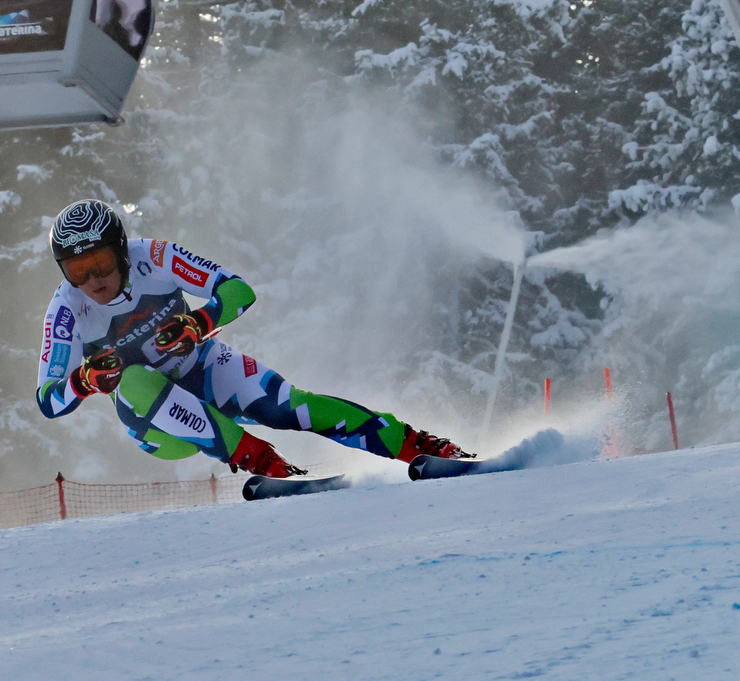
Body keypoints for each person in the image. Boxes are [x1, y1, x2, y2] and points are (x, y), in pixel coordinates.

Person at [36, 200, 473, 477]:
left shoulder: (154, 255)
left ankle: (416, 443)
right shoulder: (66, 309)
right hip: (158, 425)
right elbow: (47, 399)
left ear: (121, 248)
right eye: (78, 270)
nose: (94, 279)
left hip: (202, 368)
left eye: (101, 262)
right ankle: (260, 462)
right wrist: (84, 381)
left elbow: (238, 290)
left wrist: (199, 323)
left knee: (288, 407)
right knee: (132, 379)